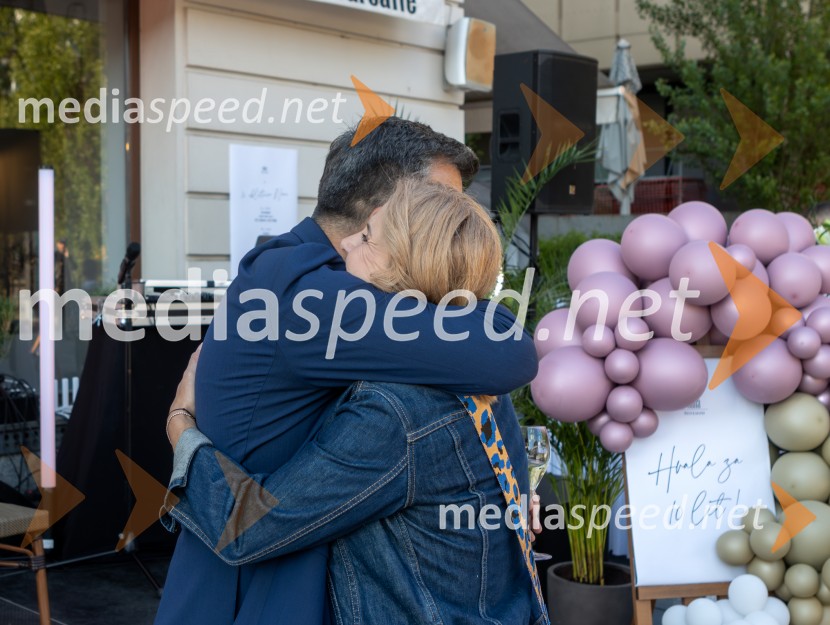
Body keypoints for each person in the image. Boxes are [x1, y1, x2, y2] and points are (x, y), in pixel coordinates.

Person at [154, 118, 539, 625]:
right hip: (260, 590)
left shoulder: (302, 270)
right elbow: (508, 350)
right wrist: (180, 428)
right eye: (444, 202)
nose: (456, 218)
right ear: (389, 208)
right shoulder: (314, 293)